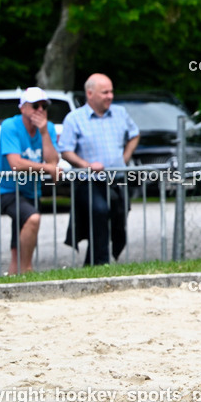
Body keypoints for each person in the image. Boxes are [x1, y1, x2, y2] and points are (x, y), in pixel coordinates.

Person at [58, 73, 140, 266]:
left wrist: (124, 159)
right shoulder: (75, 119)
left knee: (118, 215)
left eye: (111, 91)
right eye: (105, 92)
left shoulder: (120, 113)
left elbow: (134, 135)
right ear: (90, 93)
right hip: (89, 181)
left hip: (117, 178)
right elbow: (66, 151)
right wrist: (86, 165)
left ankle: (94, 261)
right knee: (100, 211)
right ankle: (101, 262)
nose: (110, 96)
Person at [0, 87, 62, 275]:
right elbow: (15, 163)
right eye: (35, 106)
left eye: (44, 106)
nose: (40, 110)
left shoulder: (49, 128)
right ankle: (27, 271)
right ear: (22, 108)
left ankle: (14, 278)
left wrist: (45, 133)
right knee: (32, 219)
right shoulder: (10, 126)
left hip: (32, 190)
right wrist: (47, 168)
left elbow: (53, 161)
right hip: (5, 189)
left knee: (18, 245)